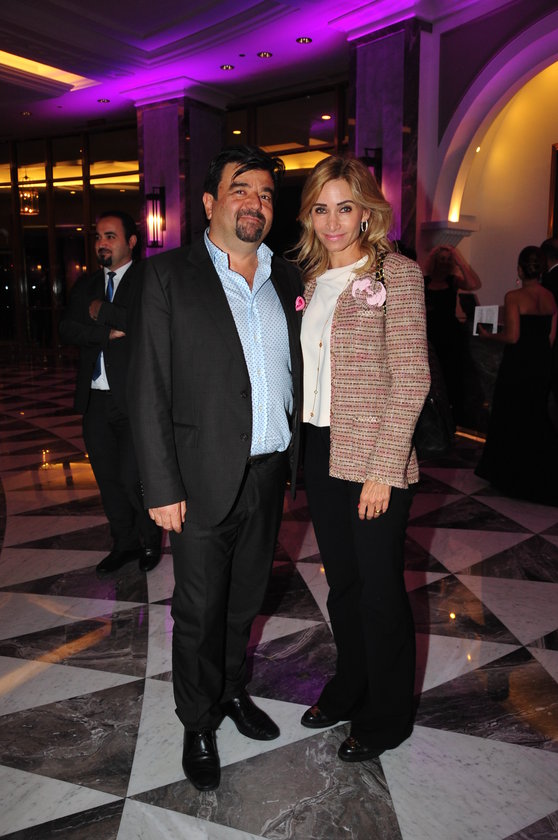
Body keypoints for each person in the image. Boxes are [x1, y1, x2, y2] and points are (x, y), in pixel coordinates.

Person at [127, 146, 302, 791]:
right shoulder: (168, 276)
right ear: (209, 202)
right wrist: (161, 485)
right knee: (199, 609)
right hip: (198, 478)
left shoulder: (288, 278)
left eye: (265, 193)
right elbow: (147, 386)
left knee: (245, 600)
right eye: (241, 189)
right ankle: (197, 720)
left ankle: (230, 690)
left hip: (268, 471)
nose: (255, 203)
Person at [294, 156, 430, 761]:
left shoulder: (396, 274)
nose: (333, 222)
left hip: (375, 452)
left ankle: (388, 715)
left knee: (379, 591)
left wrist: (383, 469)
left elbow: (412, 376)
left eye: (344, 207)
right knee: (343, 585)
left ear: (367, 212)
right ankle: (350, 685)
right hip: (321, 448)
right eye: (321, 209)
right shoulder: (309, 280)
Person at [59, 212, 162, 578]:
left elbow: (147, 322)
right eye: (98, 237)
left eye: (110, 236)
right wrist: (104, 332)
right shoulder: (87, 284)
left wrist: (102, 311)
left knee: (134, 477)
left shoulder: (148, 278)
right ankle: (124, 543)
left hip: (134, 400)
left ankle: (150, 541)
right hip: (95, 401)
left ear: (131, 242)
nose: (101, 243)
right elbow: (67, 328)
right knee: (107, 478)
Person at [475, 245, 558, 504]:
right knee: (535, 414)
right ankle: (540, 472)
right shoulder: (550, 297)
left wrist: (489, 336)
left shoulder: (514, 296)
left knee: (510, 414)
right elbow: (551, 337)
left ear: (520, 270)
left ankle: (509, 474)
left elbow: (512, 336)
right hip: (542, 364)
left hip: (518, 365)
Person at [423, 245, 481, 422]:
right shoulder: (424, 281)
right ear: (435, 261)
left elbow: (474, 284)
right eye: (442, 258)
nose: (445, 262)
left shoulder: (452, 281)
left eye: (448, 259)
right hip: (430, 335)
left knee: (451, 375)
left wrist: (459, 260)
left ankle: (453, 418)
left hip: (450, 335)